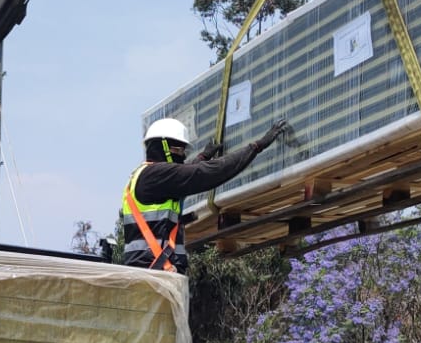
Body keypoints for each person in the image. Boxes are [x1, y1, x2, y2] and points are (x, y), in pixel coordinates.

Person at [118, 117, 291, 273]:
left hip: (151, 271)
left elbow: (184, 174)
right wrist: (256, 147)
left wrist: (203, 156)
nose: (183, 156)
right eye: (179, 150)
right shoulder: (156, 174)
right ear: (163, 147)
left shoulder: (143, 175)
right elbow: (205, 174)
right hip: (154, 273)